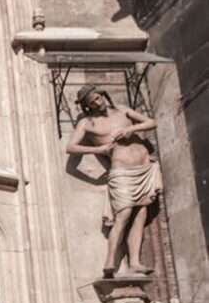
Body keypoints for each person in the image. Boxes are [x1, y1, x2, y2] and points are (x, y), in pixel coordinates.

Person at [66, 84, 161, 278]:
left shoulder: (123, 111)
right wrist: (98, 150)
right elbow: (71, 147)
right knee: (124, 214)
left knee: (140, 213)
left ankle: (134, 262)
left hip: (143, 168)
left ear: (102, 96)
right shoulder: (87, 123)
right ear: (86, 107)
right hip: (122, 171)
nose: (96, 104)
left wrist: (131, 129)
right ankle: (110, 260)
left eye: (97, 99)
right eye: (91, 103)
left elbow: (152, 122)